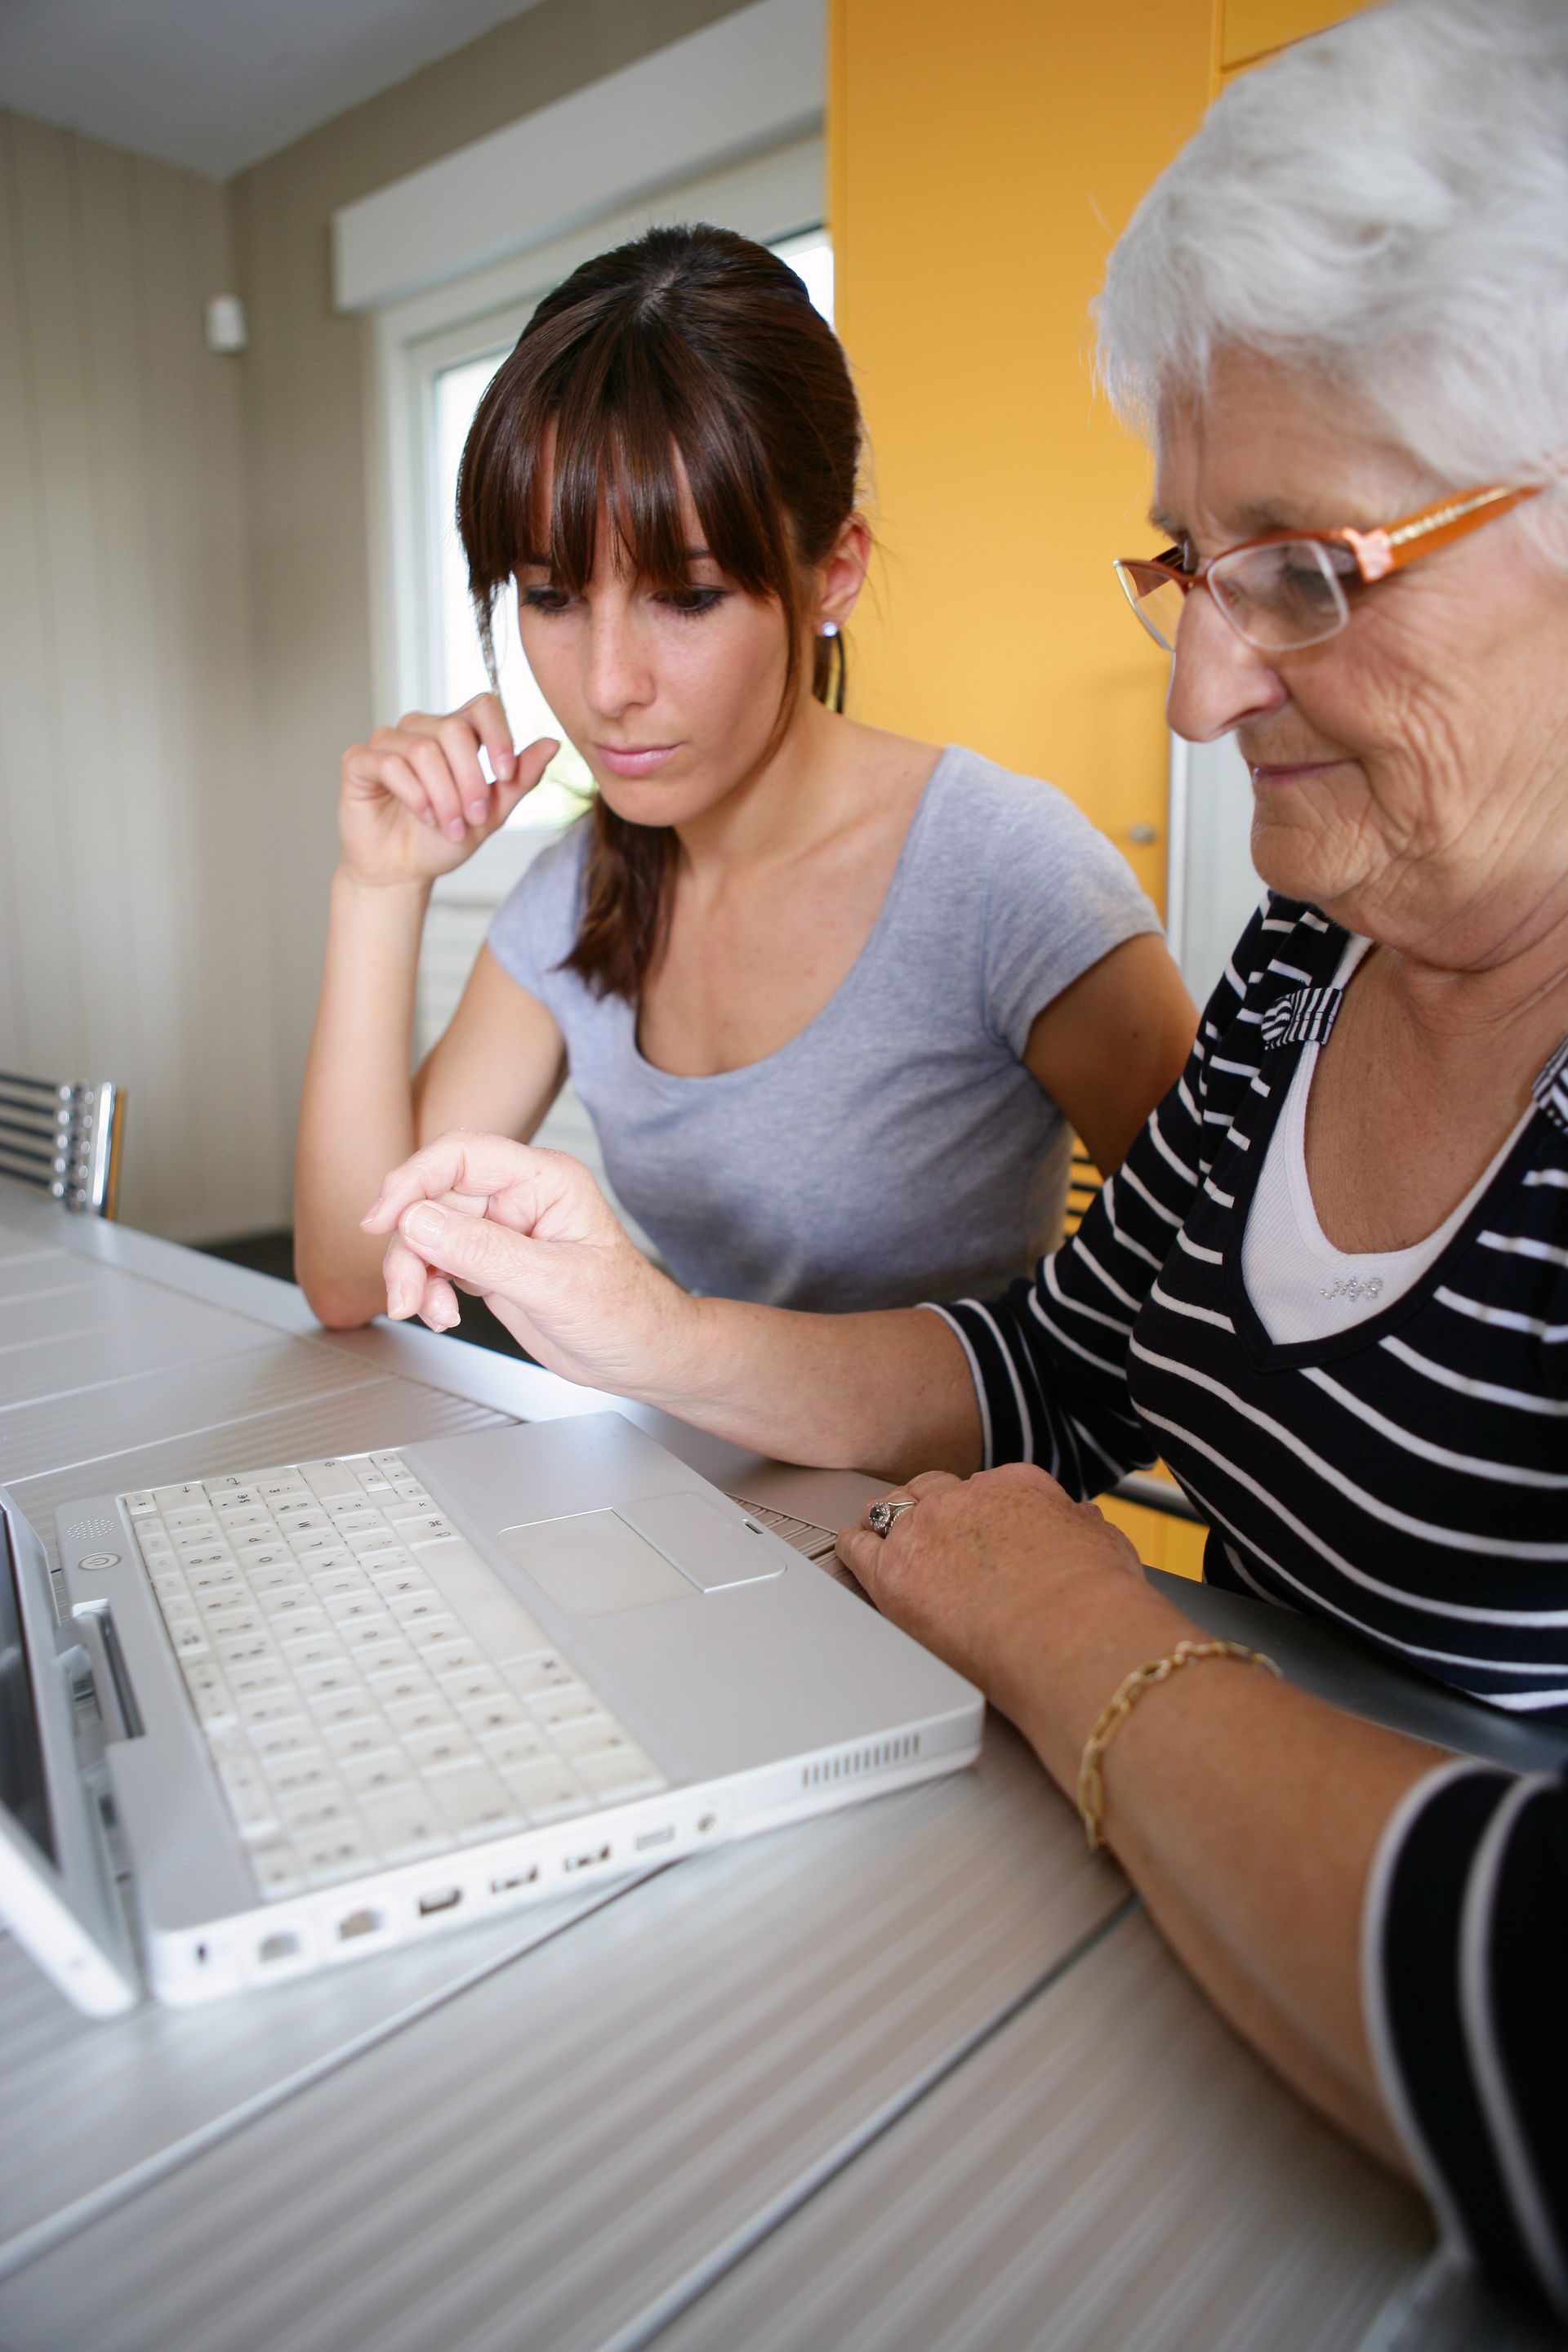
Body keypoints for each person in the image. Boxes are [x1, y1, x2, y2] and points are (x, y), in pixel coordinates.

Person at [361, 0, 1568, 2314]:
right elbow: (1064, 1363)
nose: (1204, 693)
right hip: (1165, 1962)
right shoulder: (1303, 983)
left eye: (1304, 568)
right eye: (1188, 566)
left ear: (819, 578)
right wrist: (654, 1328)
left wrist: (1074, 1632)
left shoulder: (1001, 866)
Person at [296, 225, 1195, 1330]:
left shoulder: (1007, 873)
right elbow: (352, 1278)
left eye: (687, 596)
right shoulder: (578, 898)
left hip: (961, 1502)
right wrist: (377, 889)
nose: (607, 686)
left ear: (832, 573)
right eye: (551, 596)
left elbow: (1209, 1312)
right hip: (686, 1491)